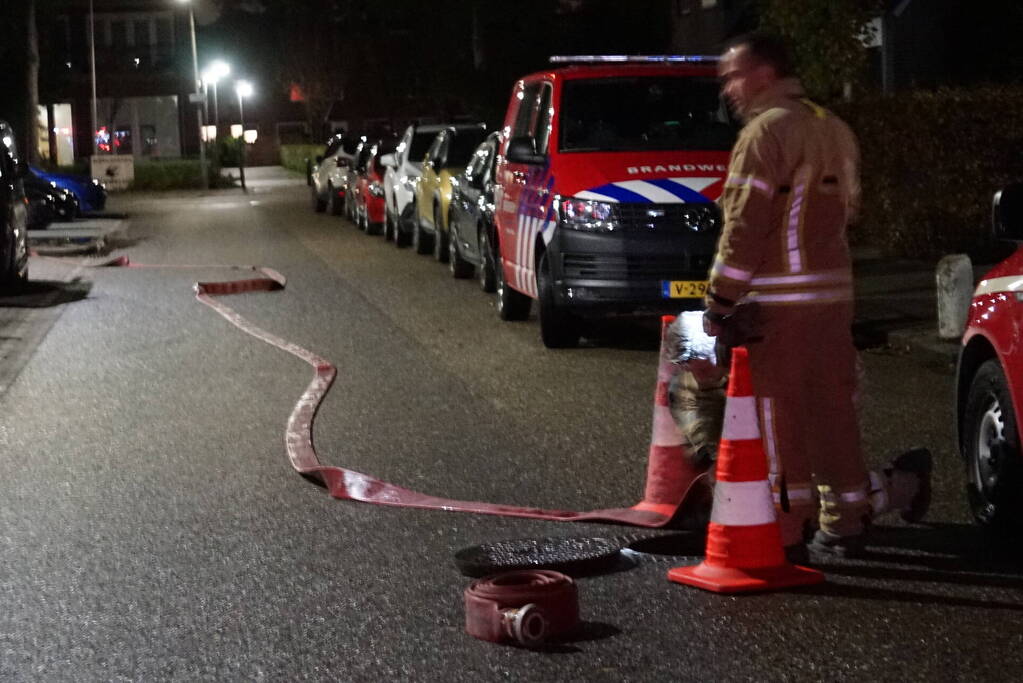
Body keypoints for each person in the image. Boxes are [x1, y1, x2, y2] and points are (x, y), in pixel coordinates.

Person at [704, 33, 931, 559]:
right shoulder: (834, 129)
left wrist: (720, 301)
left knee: (777, 420)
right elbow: (845, 216)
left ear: (763, 73)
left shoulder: (764, 135)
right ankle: (845, 522)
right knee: (832, 413)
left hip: (777, 308)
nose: (729, 90)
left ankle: (784, 530)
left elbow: (745, 227)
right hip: (832, 301)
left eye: (733, 77)